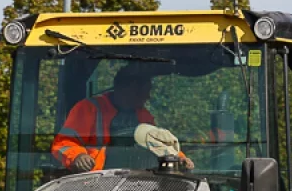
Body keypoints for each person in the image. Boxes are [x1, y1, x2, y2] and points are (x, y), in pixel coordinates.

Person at [50, 64, 190, 172]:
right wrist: (77, 157)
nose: (147, 97)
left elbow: (158, 143)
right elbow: (63, 144)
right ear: (126, 88)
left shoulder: (143, 115)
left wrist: (180, 159)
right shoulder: (88, 109)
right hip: (93, 183)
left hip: (135, 181)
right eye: (144, 91)